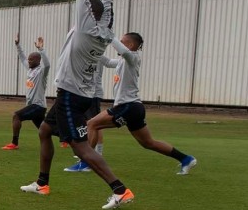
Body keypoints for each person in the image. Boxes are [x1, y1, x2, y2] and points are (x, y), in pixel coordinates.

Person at [20, 0, 135, 210]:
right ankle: (42, 182)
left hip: (72, 97)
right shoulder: (106, 27)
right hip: (73, 94)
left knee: (80, 147)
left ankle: (120, 190)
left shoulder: (86, 27)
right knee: (45, 131)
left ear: (88, 14)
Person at [70, 33, 198, 174]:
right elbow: (106, 62)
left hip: (128, 106)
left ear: (130, 45)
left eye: (122, 41)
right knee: (148, 143)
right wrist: (89, 49)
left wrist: (108, 34)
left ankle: (86, 163)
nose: (118, 44)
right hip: (134, 107)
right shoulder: (122, 61)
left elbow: (123, 51)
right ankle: (186, 159)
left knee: (92, 124)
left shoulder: (133, 57)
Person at [2, 34, 49, 150]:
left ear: (38, 60)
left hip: (37, 105)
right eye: (28, 59)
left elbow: (47, 64)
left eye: (31, 59)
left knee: (16, 116)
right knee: (45, 129)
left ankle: (14, 143)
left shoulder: (42, 72)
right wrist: (17, 45)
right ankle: (67, 140)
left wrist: (41, 49)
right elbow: (22, 57)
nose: (28, 61)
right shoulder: (30, 69)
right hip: (34, 106)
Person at [64, 58, 106, 170]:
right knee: (92, 124)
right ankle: (94, 154)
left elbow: (107, 64)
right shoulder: (89, 55)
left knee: (95, 124)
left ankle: (91, 158)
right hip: (88, 94)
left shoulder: (97, 56)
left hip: (93, 94)